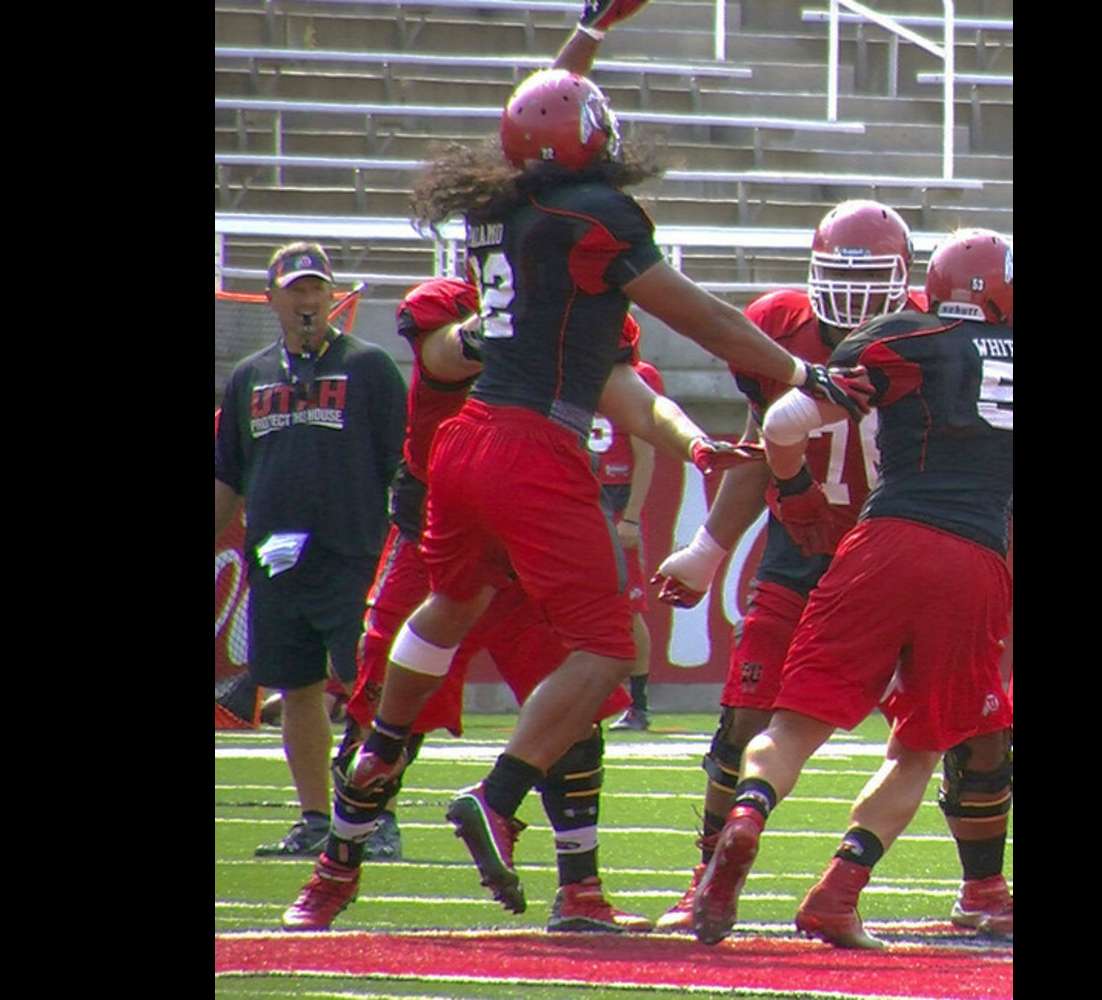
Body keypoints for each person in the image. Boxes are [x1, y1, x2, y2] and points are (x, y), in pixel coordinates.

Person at [330, 0, 874, 923]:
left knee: (449, 603)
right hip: (535, 442)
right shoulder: (595, 219)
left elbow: (531, 122)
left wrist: (585, 37)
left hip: (462, 447)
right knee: (611, 654)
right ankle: (498, 802)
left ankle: (385, 745)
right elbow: (698, 315)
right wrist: (801, 371)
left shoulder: (501, 207)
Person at [282, 275, 762, 931]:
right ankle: (333, 873)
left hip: (530, 534)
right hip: (437, 529)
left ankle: (581, 889)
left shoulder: (587, 316)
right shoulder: (456, 305)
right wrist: (515, 314)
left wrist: (694, 442)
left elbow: (633, 398)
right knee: (381, 724)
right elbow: (442, 355)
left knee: (573, 708)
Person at [688, 228, 1014, 948]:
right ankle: (838, 892)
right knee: (918, 748)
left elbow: (783, 421)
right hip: (975, 558)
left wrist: (798, 489)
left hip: (880, 540)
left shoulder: (899, 337)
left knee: (795, 723)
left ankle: (747, 815)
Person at [650, 199, 924, 930]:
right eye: (842, 277)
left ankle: (985, 889)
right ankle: (710, 879)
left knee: (953, 723)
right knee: (752, 715)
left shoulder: (933, 332)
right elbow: (753, 448)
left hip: (877, 543)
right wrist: (708, 549)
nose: (858, 298)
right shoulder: (779, 330)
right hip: (859, 547)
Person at [215, 241, 408, 859]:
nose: (306, 299)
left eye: (315, 288)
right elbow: (230, 475)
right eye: (294, 289)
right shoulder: (249, 377)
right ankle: (315, 818)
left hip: (351, 550)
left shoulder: (370, 367)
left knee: (363, 681)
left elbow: (398, 463)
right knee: (295, 687)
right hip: (273, 554)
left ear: (333, 296)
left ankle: (376, 815)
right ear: (270, 298)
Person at [596, 338, 665, 732]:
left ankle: (638, 703)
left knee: (629, 605)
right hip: (576, 495)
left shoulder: (639, 378)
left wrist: (633, 518)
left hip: (615, 498)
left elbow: (646, 452)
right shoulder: (563, 372)